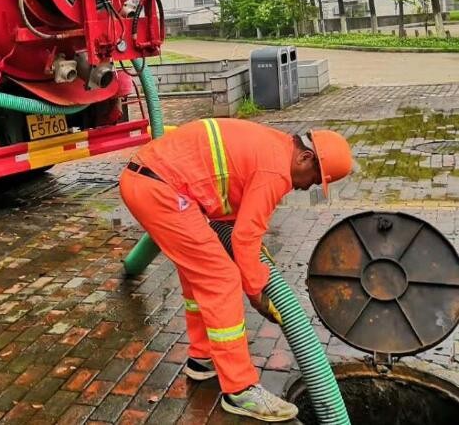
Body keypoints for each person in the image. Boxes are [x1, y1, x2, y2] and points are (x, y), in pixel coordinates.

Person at [119, 118, 352, 422]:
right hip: (160, 190)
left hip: (149, 182)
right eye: (314, 179)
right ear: (305, 158)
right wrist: (256, 292)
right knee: (222, 279)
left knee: (200, 273)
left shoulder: (275, 148)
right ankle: (240, 390)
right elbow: (244, 237)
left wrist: (253, 262)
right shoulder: (276, 171)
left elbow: (232, 200)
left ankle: (202, 359)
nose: (307, 186)